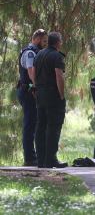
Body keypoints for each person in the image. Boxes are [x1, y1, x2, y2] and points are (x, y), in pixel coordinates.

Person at [33, 31, 67, 168]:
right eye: (61, 41)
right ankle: (50, 159)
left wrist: (37, 88)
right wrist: (62, 95)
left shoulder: (39, 54)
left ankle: (40, 160)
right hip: (53, 95)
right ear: (58, 42)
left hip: (40, 93)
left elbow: (34, 73)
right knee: (53, 127)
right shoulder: (57, 56)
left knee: (41, 126)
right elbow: (59, 76)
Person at [17, 29, 47, 166]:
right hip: (28, 91)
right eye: (44, 41)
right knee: (30, 124)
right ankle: (29, 158)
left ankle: (33, 155)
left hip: (29, 90)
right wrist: (36, 87)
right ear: (37, 39)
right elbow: (31, 71)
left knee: (33, 123)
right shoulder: (30, 52)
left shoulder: (35, 52)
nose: (45, 44)